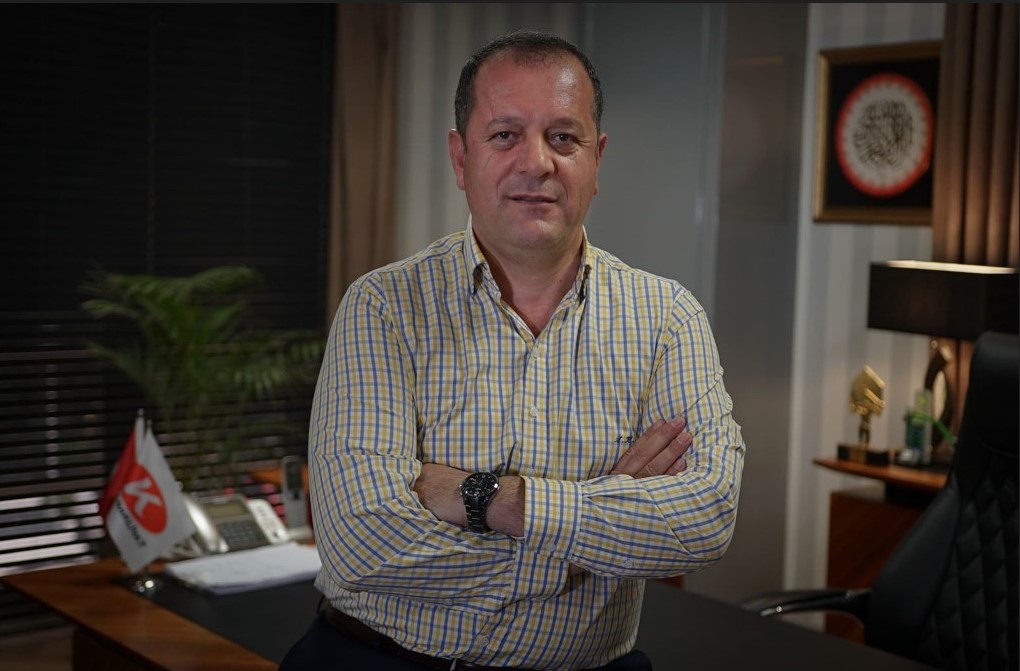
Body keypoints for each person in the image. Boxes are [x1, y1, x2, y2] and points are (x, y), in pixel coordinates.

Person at [281, 29, 745, 671]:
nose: (537, 162)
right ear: (461, 158)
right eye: (505, 135)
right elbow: (359, 542)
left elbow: (707, 518)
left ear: (597, 159)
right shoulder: (383, 307)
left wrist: (489, 499)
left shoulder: (668, 319)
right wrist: (589, 544)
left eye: (564, 137)